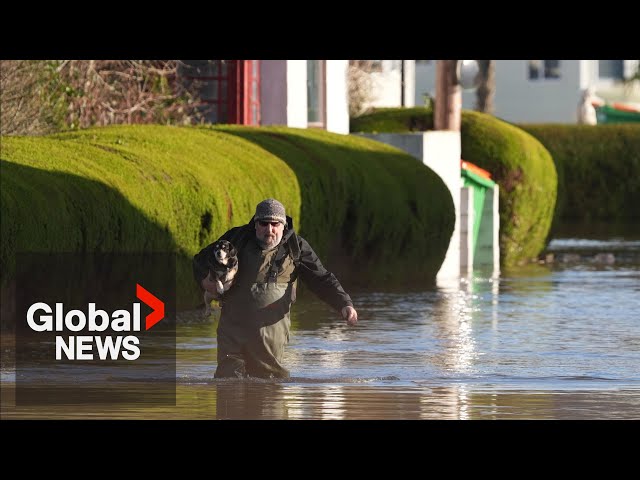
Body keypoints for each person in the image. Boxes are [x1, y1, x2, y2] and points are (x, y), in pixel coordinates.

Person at [193, 198, 358, 379]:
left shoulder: (297, 248)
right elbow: (200, 260)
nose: (269, 230)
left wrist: (344, 303)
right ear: (255, 224)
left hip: (270, 339)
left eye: (275, 224)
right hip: (232, 332)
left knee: (268, 392)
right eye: (264, 223)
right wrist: (205, 282)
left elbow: (321, 279)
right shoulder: (236, 238)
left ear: (283, 225)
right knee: (227, 386)